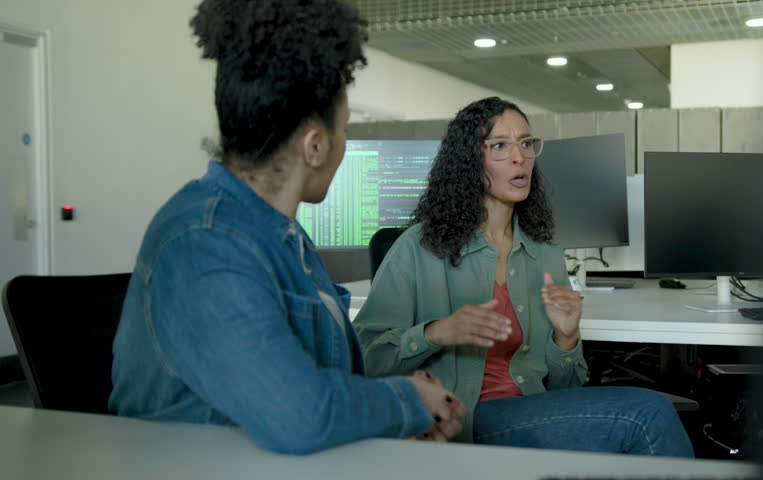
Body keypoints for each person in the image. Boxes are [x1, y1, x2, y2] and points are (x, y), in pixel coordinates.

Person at [108, 0, 465, 454]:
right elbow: (300, 416)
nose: (344, 145)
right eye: (345, 131)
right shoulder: (203, 244)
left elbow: (324, 377)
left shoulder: (283, 236)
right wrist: (407, 401)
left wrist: (394, 408)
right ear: (315, 146)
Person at [354, 96, 693, 456]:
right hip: (461, 421)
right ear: (468, 160)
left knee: (648, 416)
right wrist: (435, 333)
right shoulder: (418, 246)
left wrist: (567, 336)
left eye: (526, 144)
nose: (520, 158)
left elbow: (566, 390)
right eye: (500, 146)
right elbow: (365, 359)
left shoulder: (544, 251)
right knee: (647, 414)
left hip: (529, 410)